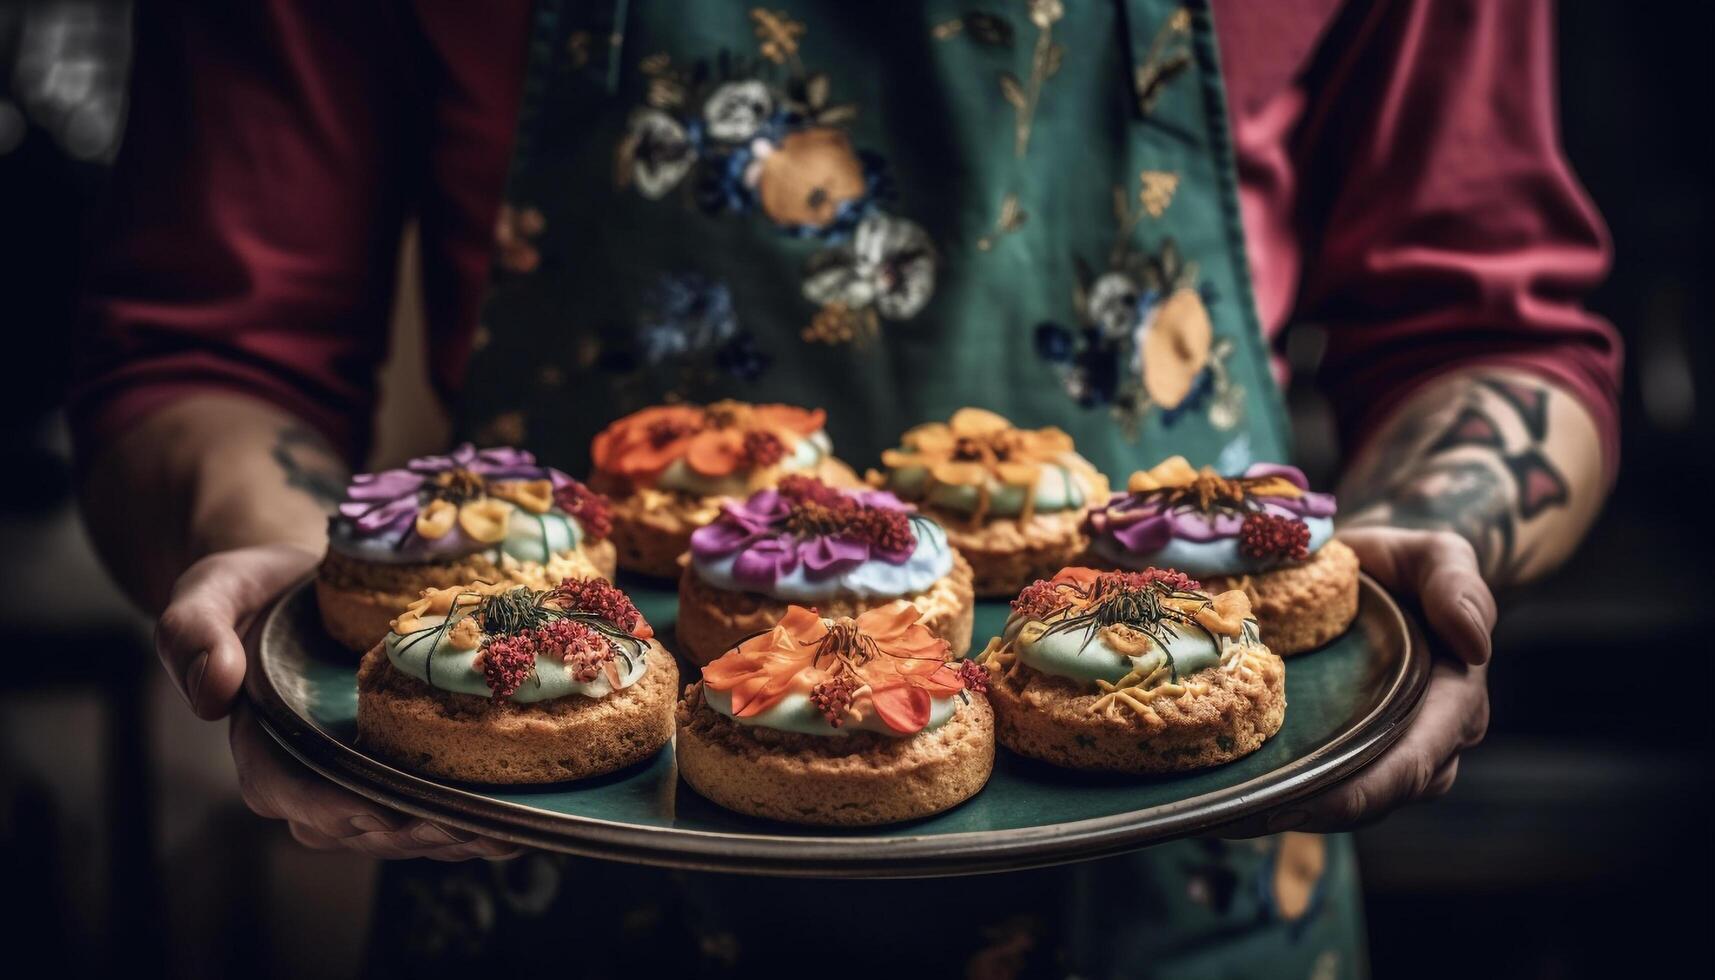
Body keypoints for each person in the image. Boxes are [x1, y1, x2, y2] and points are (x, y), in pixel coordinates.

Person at [72, 0, 1618, 975]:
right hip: (538, 864)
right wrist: (271, 597)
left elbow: (1493, 318)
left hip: (1193, 877)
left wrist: (1434, 552)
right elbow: (214, 340)